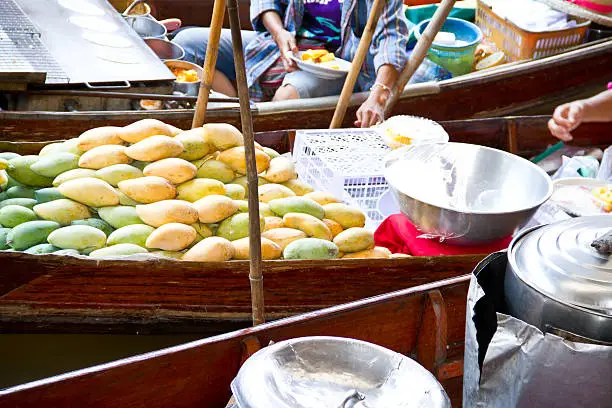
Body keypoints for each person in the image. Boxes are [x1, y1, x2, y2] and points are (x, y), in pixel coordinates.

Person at [173, 0, 409, 128]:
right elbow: (265, 3)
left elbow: (391, 38)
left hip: (337, 64)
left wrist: (378, 95)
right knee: (186, 45)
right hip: (281, 43)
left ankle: (254, 132)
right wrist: (279, 33)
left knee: (287, 98)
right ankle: (239, 120)